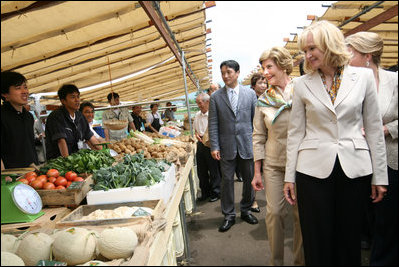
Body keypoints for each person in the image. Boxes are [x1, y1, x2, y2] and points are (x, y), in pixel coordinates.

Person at [283, 21, 388, 266]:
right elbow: (295, 133)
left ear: (329, 45)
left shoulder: (362, 78)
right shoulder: (301, 84)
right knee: (316, 241)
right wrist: (290, 177)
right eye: (305, 50)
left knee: (348, 241)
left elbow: (373, 128)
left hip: (354, 170)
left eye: (312, 48)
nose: (307, 55)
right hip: (311, 172)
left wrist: (379, 176)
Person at [346, 31, 398, 266]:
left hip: (390, 159)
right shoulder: (348, 82)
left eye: (351, 52)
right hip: (357, 160)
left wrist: (384, 130)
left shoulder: (394, 81)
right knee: (363, 216)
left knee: (387, 217)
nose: (346, 56)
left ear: (367, 56)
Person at [252, 47, 304, 266]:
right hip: (274, 165)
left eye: (269, 67)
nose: (265, 72)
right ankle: (276, 262)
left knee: (301, 217)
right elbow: (257, 136)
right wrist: (257, 171)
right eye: (263, 68)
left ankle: (300, 262)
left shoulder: (302, 90)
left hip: (302, 164)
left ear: (283, 65)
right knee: (274, 215)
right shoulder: (263, 101)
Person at [208, 60, 258, 232]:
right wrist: (214, 146)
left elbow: (255, 122)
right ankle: (229, 215)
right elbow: (213, 123)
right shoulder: (215, 97)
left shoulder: (250, 94)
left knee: (249, 180)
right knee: (227, 181)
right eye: (222, 73)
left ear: (237, 73)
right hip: (226, 146)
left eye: (229, 72)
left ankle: (245, 209)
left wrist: (257, 144)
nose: (225, 76)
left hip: (247, 145)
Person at [45, 84, 100, 160]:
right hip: (59, 162)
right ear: (63, 101)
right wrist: (68, 163)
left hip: (76, 159)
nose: (77, 100)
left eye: (78, 96)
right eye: (73, 97)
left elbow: (90, 137)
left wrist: (103, 153)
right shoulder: (56, 117)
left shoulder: (80, 116)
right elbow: (61, 141)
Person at [1, 71, 39, 169]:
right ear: (5, 94)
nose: (24, 91)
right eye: (18, 88)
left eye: (25, 87)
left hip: (31, 174)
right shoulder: (3, 116)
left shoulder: (28, 117)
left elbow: (29, 146)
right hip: (11, 177)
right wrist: (4, 175)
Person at [193, 92, 221, 202]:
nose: (199, 105)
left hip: (211, 144)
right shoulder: (197, 115)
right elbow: (195, 130)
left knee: (213, 169)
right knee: (201, 170)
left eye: (200, 103)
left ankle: (216, 192)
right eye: (197, 103)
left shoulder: (214, 115)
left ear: (207, 102)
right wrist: (196, 135)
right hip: (200, 144)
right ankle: (205, 192)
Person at [249, 72, 268, 213]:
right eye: (260, 83)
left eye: (265, 83)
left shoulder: (269, 98)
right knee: (254, 172)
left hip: (269, 140)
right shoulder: (251, 99)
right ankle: (252, 200)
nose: (263, 85)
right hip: (255, 138)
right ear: (253, 85)